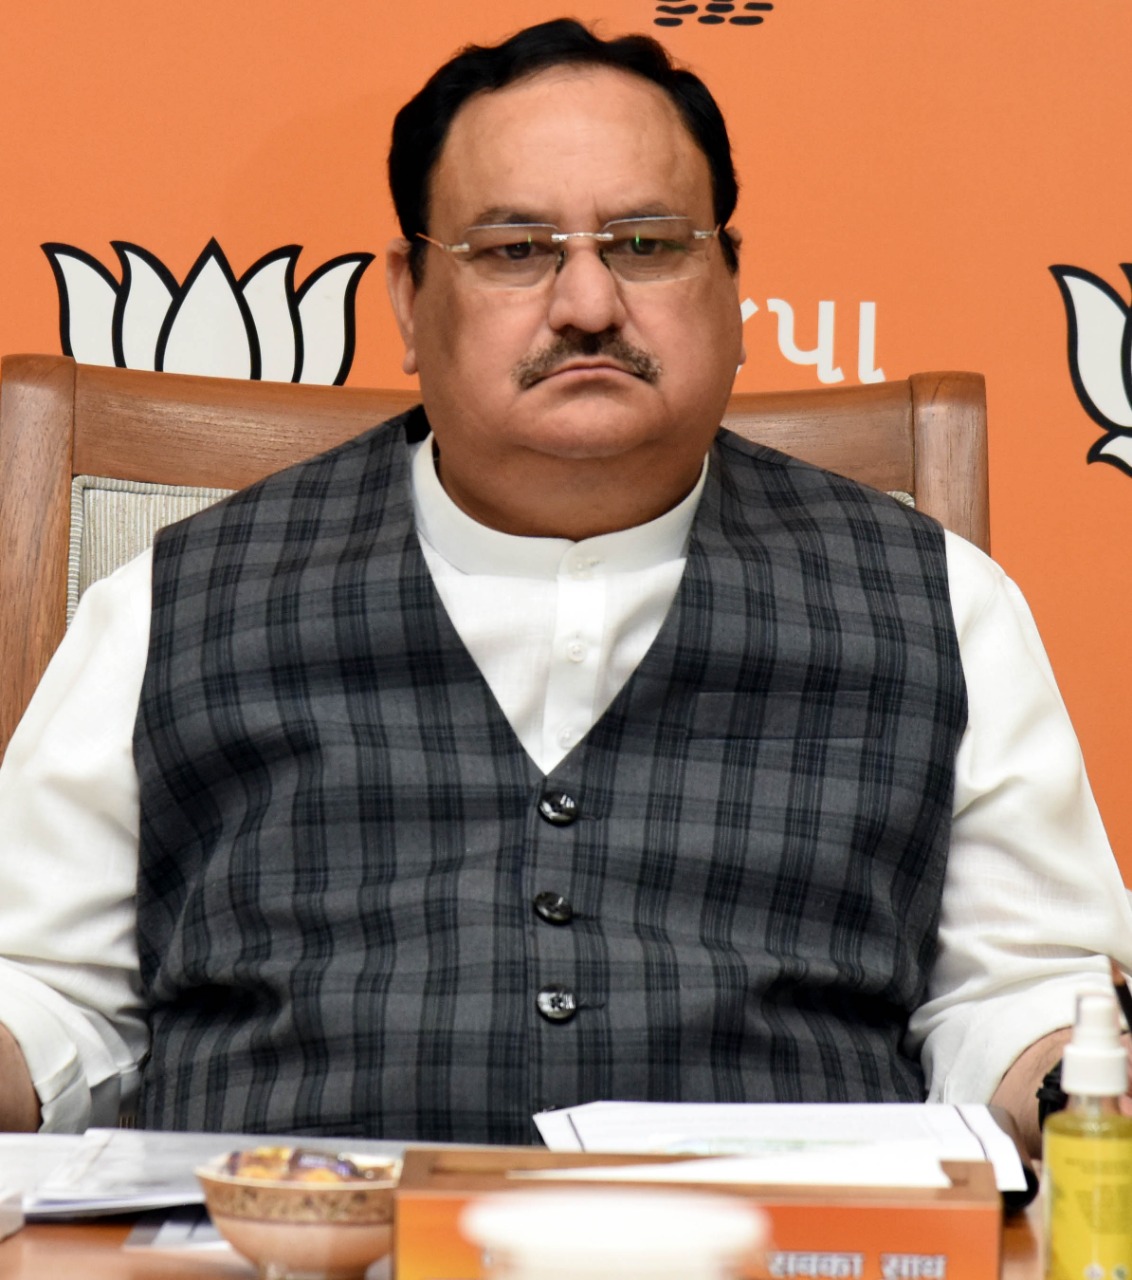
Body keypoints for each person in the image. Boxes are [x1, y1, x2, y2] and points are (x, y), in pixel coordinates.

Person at [0, 18, 1129, 1155]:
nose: (587, 304)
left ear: (732, 278)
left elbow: (1021, 1002)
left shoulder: (936, 600)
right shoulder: (175, 600)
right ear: (404, 293)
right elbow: (44, 995)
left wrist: (1076, 1081)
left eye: (645, 243)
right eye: (515, 249)